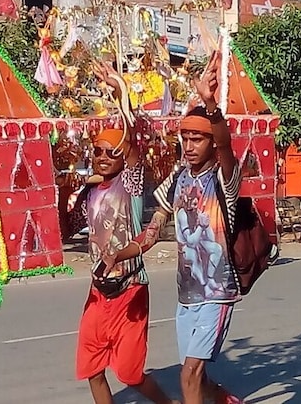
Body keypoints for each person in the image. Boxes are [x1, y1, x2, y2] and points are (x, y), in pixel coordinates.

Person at [111, 50, 245, 404]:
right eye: (185, 139)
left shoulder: (224, 180)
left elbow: (227, 146)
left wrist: (210, 106)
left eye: (197, 139)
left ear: (211, 144)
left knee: (189, 374)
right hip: (186, 297)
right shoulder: (179, 179)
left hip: (217, 292)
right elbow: (153, 231)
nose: (189, 146)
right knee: (196, 379)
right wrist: (120, 255)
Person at [67, 64, 178, 404]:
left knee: (129, 374)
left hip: (129, 289)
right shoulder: (92, 190)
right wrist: (66, 192)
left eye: (110, 152)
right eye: (97, 151)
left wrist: (121, 93)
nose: (102, 157)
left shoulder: (129, 186)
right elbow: (70, 227)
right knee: (90, 368)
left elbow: (131, 144)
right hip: (98, 291)